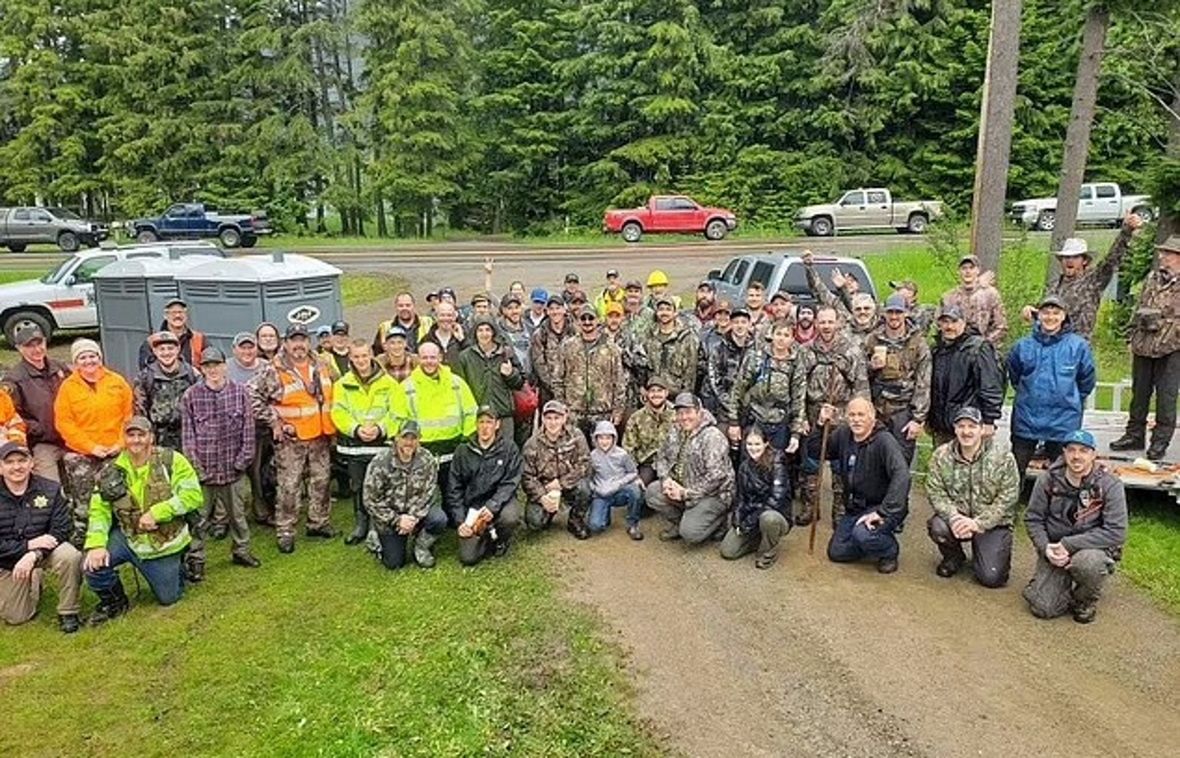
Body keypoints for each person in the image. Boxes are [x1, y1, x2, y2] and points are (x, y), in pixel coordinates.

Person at [82, 417, 203, 623]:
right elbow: (99, 511)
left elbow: (193, 496)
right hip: (128, 538)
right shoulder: (110, 471)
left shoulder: (172, 460)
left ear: (151, 438)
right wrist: (96, 545)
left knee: (169, 598)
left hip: (164, 543)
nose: (136, 440)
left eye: (141, 435)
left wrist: (158, 513)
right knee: (92, 566)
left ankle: (178, 567)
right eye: (131, 435)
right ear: (124, 439)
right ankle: (115, 602)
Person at [1023, 429, 1127, 623]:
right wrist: (1046, 548)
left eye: (1083, 451)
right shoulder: (1047, 479)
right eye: (1071, 450)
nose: (1076, 456)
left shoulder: (1110, 485)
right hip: (1055, 549)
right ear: (1064, 453)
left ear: (1093, 454)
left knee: (1088, 564)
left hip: (1091, 550)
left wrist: (1069, 545)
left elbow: (1117, 532)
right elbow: (1033, 519)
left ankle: (1084, 600)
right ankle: (1049, 585)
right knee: (1043, 608)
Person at [252, 324, 337, 553]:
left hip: (320, 436)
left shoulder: (322, 364)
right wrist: (274, 421)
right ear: (286, 343)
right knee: (289, 486)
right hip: (291, 440)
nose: (299, 345)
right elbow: (251, 396)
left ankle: (318, 523)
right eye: (294, 340)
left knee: (321, 481)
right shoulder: (274, 368)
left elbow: (336, 391)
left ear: (308, 342)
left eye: (302, 340)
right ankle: (286, 530)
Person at [181, 347, 259, 578]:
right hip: (204, 472)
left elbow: (249, 431)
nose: (213, 370)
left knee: (238, 516)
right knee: (199, 519)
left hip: (233, 469)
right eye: (207, 366)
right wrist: (197, 468)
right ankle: (196, 558)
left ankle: (241, 550)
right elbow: (188, 437)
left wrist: (242, 461)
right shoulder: (191, 396)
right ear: (202, 369)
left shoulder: (240, 393)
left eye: (216, 365)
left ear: (225, 366)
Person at [925, 407, 1020, 587]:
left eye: (972, 426)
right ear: (955, 429)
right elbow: (935, 491)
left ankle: (984, 554)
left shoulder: (1003, 457)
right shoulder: (941, 455)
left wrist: (979, 523)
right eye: (961, 426)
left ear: (982, 429)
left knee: (991, 578)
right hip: (958, 519)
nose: (966, 431)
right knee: (938, 527)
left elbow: (1008, 496)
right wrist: (953, 516)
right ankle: (954, 557)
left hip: (991, 523)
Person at [815, 398, 910, 574]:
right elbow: (818, 452)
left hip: (882, 507)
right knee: (837, 552)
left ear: (872, 417)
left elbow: (902, 475)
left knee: (863, 535)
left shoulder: (885, 441)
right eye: (852, 415)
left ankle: (889, 551)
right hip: (855, 507)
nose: (856, 420)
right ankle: (868, 541)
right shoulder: (844, 434)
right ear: (846, 417)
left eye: (861, 415)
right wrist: (821, 426)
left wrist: (883, 512)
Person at [55, 339, 134, 546]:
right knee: (84, 497)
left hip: (115, 448)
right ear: (75, 362)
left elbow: (128, 416)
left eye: (93, 356)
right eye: (82, 357)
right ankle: (83, 533)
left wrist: (120, 443)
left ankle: (123, 531)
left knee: (118, 491)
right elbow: (64, 423)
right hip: (82, 452)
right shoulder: (68, 388)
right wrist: (90, 447)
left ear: (100, 358)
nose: (89, 361)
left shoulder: (117, 382)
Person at [1007, 295, 1096, 479]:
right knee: (1014, 473)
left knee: (1062, 476)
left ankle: (1057, 499)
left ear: (1064, 316)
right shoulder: (1022, 346)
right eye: (1046, 312)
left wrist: (1070, 399)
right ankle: (1015, 498)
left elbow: (1086, 381)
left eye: (1056, 313)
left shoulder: (1078, 346)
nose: (1050, 317)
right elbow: (1015, 377)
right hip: (1026, 419)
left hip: (1063, 422)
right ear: (1038, 315)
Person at [795, 305, 869, 525]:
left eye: (830, 322)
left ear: (838, 323)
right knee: (810, 463)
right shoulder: (806, 350)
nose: (826, 326)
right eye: (822, 322)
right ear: (816, 323)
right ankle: (810, 507)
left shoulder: (851, 350)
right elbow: (798, 387)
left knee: (840, 465)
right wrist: (801, 417)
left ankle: (840, 509)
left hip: (843, 414)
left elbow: (861, 386)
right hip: (813, 413)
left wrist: (859, 418)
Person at [0, 441, 82, 633]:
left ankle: (68, 611)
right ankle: (34, 579)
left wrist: (34, 554)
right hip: (6, 559)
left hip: (43, 551)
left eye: (22, 460)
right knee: (16, 617)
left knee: (70, 556)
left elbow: (62, 529)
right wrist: (27, 546)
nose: (17, 467)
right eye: (9, 462)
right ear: (1, 468)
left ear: (32, 463)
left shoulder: (51, 489)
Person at [1111, 235, 1180, 460]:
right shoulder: (1152, 278)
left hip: (1172, 348)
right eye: (1163, 252)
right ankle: (1134, 434)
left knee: (1166, 397)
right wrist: (1131, 335)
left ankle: (1160, 441)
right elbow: (1140, 306)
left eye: (1167, 253)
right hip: (1144, 344)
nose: (1162, 256)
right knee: (1139, 393)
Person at [331, 340, 404, 546]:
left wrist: (380, 429)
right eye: (356, 356)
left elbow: (397, 412)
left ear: (371, 355)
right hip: (355, 446)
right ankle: (361, 524)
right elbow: (338, 412)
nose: (361, 360)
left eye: (364, 355)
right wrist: (355, 429)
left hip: (380, 445)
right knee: (358, 486)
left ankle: (376, 525)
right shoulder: (342, 384)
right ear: (350, 358)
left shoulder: (389, 383)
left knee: (381, 487)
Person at [1025, 215, 1141, 339]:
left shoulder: (1092, 281)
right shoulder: (1054, 286)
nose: (1070, 261)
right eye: (1066, 257)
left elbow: (1111, 260)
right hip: (1053, 345)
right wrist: (1031, 310)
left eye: (1075, 257)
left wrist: (1126, 231)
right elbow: (1045, 311)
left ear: (1084, 261)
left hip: (1079, 345)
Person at [398, 341, 478, 519]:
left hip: (453, 449)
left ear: (440, 358)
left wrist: (465, 438)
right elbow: (398, 419)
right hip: (422, 451)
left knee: (453, 494)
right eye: (425, 357)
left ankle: (453, 517)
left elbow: (471, 412)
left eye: (433, 357)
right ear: (418, 359)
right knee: (428, 502)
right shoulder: (407, 387)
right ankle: (430, 520)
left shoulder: (456, 383)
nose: (429, 361)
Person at [645, 393, 734, 544]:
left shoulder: (712, 437)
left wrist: (686, 493)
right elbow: (661, 457)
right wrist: (666, 479)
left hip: (714, 495)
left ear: (699, 412)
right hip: (683, 486)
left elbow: (716, 477)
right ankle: (680, 522)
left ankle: (722, 521)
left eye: (688, 412)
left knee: (691, 534)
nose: (684, 417)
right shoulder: (675, 430)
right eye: (680, 413)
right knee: (652, 492)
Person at [364, 421, 448, 570]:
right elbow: (370, 500)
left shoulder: (427, 459)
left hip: (415, 513)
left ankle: (421, 546)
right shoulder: (380, 462)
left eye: (413, 438)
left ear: (419, 440)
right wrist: (397, 520)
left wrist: (413, 518)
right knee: (394, 563)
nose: (409, 443)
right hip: (391, 516)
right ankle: (375, 532)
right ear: (396, 438)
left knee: (439, 519)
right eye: (405, 438)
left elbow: (429, 492)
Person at [446, 407, 523, 565]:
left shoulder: (509, 448)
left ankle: (500, 539)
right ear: (476, 424)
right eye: (481, 422)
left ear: (497, 425)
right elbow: (454, 488)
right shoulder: (462, 451)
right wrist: (460, 521)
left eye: (489, 422)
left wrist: (493, 505)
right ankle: (485, 535)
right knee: (468, 558)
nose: (485, 427)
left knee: (510, 517)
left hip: (499, 503)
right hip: (472, 507)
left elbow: (511, 482)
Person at [863, 294, 931, 464]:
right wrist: (871, 366)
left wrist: (917, 419)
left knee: (900, 464)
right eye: (890, 312)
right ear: (884, 313)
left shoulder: (918, 343)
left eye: (898, 312)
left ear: (906, 313)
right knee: (873, 461)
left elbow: (924, 382)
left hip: (903, 412)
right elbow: (859, 375)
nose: (894, 316)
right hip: (877, 411)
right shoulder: (872, 339)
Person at [928, 305, 1005, 448]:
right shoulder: (936, 350)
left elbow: (990, 386)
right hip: (941, 427)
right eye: (945, 322)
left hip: (970, 426)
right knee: (942, 461)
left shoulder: (978, 348)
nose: (949, 327)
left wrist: (989, 420)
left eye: (954, 321)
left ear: (964, 322)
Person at [1, 324, 70, 482]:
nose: (37, 349)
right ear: (19, 348)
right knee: (49, 486)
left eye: (39, 343)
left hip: (72, 439)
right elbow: (11, 415)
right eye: (29, 346)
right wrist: (37, 429)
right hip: (43, 443)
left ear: (45, 341)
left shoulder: (60, 368)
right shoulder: (14, 379)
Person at [720, 426, 791, 569]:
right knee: (728, 551)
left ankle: (768, 551)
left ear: (766, 443)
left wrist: (750, 521)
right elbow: (740, 497)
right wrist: (738, 518)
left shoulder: (777, 463)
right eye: (749, 444)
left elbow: (776, 500)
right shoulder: (744, 466)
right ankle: (759, 538)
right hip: (751, 513)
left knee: (769, 519)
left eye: (757, 444)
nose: (753, 448)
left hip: (774, 514)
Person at [729, 320, 802, 453]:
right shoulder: (756, 358)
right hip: (754, 417)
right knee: (750, 459)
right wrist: (734, 421)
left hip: (780, 422)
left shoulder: (796, 363)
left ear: (792, 339)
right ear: (772, 335)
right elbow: (738, 389)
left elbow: (799, 398)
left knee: (776, 461)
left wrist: (796, 433)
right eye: (778, 334)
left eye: (786, 335)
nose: (781, 339)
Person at [522, 400, 592, 538]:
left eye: (556, 418)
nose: (552, 422)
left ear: (564, 418)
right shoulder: (532, 443)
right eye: (548, 418)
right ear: (543, 419)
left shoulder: (576, 435)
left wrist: (561, 483)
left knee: (584, 488)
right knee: (535, 523)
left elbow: (585, 463)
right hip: (545, 488)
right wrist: (542, 497)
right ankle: (549, 511)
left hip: (569, 484)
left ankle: (575, 520)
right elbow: (526, 476)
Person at [455, 317, 525, 443]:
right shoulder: (465, 357)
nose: (484, 334)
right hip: (478, 414)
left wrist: (510, 374)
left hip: (503, 413)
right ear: (475, 333)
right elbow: (460, 387)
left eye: (488, 330)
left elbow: (520, 383)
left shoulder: (506, 353)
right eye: (480, 330)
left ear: (493, 332)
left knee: (505, 449)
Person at [557, 309, 625, 438]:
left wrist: (618, 410)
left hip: (602, 413)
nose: (587, 322)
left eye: (591, 318)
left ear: (598, 320)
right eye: (583, 318)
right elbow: (558, 379)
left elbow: (619, 380)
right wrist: (562, 407)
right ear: (578, 322)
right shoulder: (568, 346)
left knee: (601, 449)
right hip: (574, 413)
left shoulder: (611, 348)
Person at [133, 331, 200, 451]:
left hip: (188, 439)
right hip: (158, 441)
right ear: (154, 351)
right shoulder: (144, 378)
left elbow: (201, 408)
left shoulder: (192, 374)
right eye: (162, 349)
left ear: (178, 349)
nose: (166, 353)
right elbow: (140, 413)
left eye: (170, 348)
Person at [588, 420, 643, 540]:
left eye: (608, 438)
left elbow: (633, 472)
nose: (604, 442)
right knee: (595, 526)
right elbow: (589, 477)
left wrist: (619, 483)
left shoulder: (622, 454)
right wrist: (596, 489)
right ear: (595, 439)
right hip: (601, 493)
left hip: (619, 490)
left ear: (614, 438)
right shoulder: (592, 456)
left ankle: (633, 524)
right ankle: (604, 515)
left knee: (635, 491)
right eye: (601, 438)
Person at [940, 255, 1007, 348]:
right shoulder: (948, 297)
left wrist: (983, 344)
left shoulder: (991, 294)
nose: (968, 271)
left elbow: (1001, 327)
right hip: (955, 349)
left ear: (978, 270)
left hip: (984, 348)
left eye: (971, 268)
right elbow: (939, 327)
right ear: (958, 272)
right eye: (964, 268)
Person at [640, 296, 699, 396]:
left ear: (675, 313)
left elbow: (690, 371)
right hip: (653, 395)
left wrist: (685, 397)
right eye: (661, 309)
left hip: (676, 395)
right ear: (656, 312)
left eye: (668, 309)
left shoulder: (686, 337)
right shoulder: (649, 335)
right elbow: (642, 366)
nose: (664, 313)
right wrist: (643, 388)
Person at [623, 376, 675, 486]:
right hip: (647, 465)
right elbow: (628, 449)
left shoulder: (677, 416)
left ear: (666, 393)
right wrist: (633, 474)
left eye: (659, 391)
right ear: (647, 394)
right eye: (652, 391)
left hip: (671, 464)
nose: (656, 394)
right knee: (636, 489)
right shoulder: (636, 418)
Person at [704, 306, 752, 420]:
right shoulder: (718, 349)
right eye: (736, 322)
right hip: (723, 410)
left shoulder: (758, 348)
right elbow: (715, 382)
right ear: (730, 324)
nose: (740, 326)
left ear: (749, 324)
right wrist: (731, 406)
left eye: (743, 322)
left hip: (751, 411)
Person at [136, 297, 206, 369]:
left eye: (180, 312)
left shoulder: (199, 339)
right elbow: (145, 368)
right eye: (173, 312)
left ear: (186, 315)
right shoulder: (152, 341)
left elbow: (209, 364)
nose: (177, 316)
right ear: (165, 316)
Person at [529, 295, 572, 406]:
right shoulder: (540, 334)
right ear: (547, 311)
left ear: (564, 310)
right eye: (551, 309)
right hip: (547, 390)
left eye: (558, 308)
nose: (555, 312)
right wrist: (553, 387)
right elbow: (538, 363)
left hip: (572, 389)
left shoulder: (575, 331)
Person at [423, 302, 466, 366]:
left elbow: (470, 360)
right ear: (435, 317)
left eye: (449, 315)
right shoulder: (427, 339)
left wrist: (462, 340)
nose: (446, 318)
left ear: (455, 317)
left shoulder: (465, 337)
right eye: (442, 315)